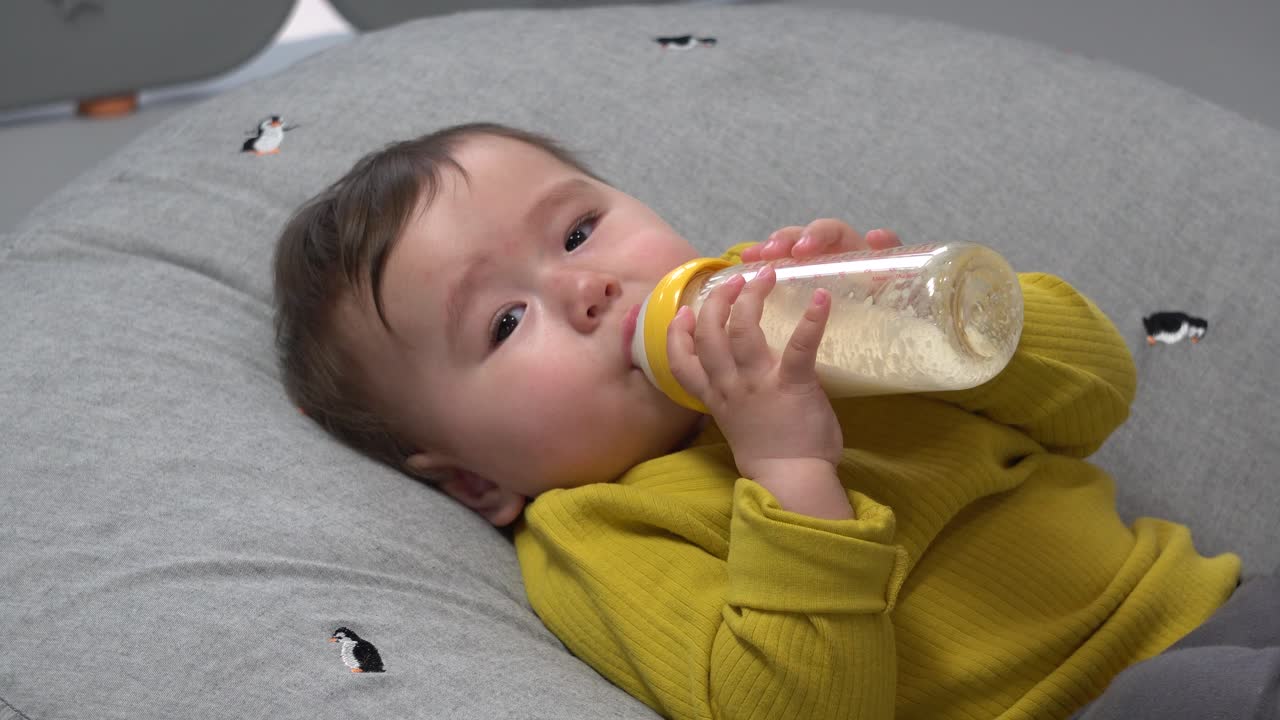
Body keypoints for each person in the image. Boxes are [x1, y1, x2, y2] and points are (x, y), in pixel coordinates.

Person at [273, 122, 1274, 719]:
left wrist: (926, 309)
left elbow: (1094, 395)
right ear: (475, 482)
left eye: (579, 230)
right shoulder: (599, 531)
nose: (587, 287)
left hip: (1211, 604)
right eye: (502, 321)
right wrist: (788, 464)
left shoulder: (804, 313)